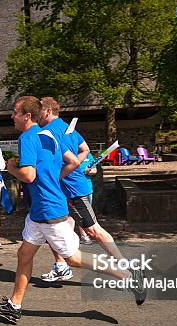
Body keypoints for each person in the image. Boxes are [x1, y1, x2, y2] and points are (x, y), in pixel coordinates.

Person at [0, 96, 145, 324]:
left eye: (15, 112)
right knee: (24, 255)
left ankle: (129, 277)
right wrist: (53, 178)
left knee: (73, 259)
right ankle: (14, 306)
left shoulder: (27, 138)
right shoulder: (49, 134)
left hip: (50, 212)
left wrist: (10, 167)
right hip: (40, 211)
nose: (12, 116)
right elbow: (72, 160)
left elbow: (29, 175)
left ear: (27, 116)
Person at [37, 97, 126, 284]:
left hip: (72, 189)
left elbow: (76, 157)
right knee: (59, 227)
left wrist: (61, 174)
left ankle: (126, 268)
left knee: (94, 230)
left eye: (39, 111)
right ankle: (61, 266)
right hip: (63, 189)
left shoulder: (48, 131)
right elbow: (84, 149)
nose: (37, 115)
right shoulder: (66, 127)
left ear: (47, 111)